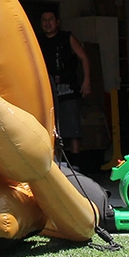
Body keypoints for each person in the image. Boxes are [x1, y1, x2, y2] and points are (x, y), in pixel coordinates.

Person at [38, 11, 92, 155]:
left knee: (72, 129)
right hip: (48, 91)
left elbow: (84, 58)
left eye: (50, 19)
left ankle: (76, 165)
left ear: (57, 22)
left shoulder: (67, 37)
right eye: (44, 20)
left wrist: (86, 81)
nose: (47, 23)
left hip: (69, 89)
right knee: (51, 128)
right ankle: (55, 164)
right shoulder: (38, 40)